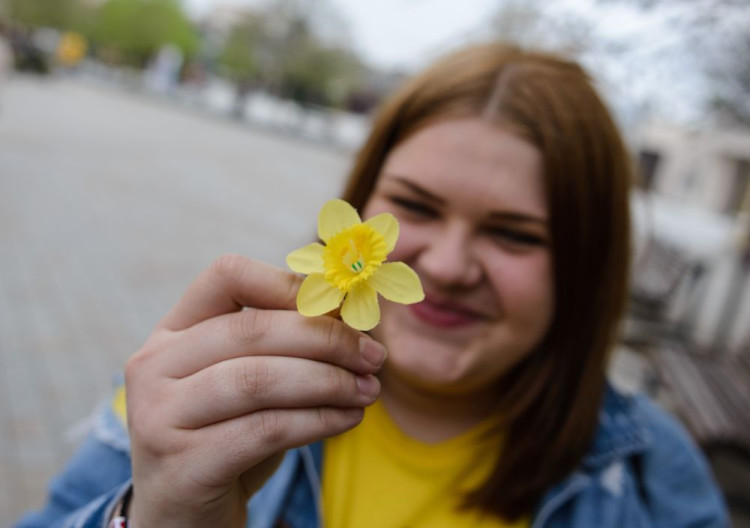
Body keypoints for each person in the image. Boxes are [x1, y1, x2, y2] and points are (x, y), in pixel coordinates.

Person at [15, 42, 729, 528]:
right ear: (356, 208)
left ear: (585, 264)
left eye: (514, 233)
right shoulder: (205, 393)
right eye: (415, 206)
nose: (447, 266)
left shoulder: (654, 481)